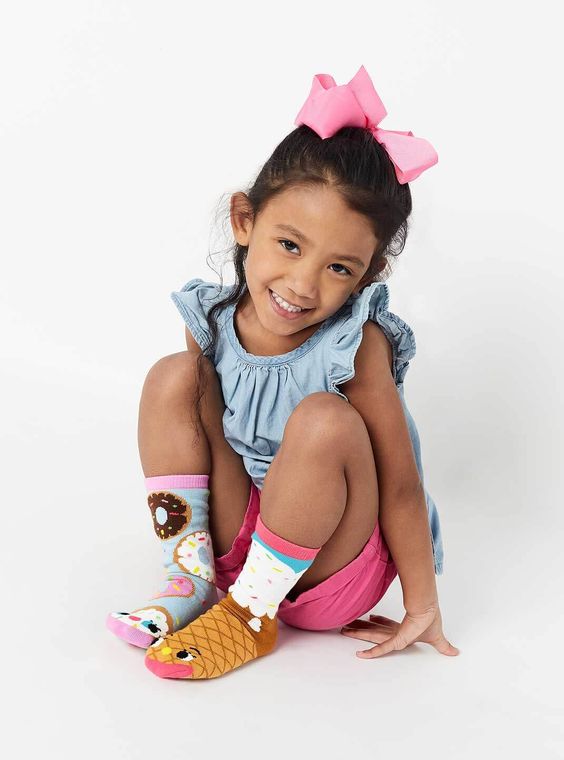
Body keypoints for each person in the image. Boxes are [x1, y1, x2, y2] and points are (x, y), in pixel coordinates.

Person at [106, 65, 460, 679]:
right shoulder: (212, 318)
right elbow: (198, 439)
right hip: (243, 548)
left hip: (332, 568)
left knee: (324, 420)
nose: (302, 285)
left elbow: (402, 484)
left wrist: (422, 605)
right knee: (173, 376)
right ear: (245, 221)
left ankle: (250, 616)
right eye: (290, 246)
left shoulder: (354, 345)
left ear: (369, 274)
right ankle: (191, 581)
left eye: (339, 268)